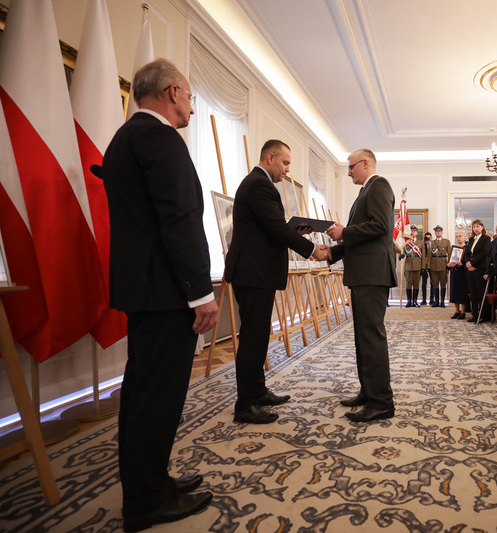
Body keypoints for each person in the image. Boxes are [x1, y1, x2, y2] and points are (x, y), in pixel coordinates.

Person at [102, 58, 216, 531]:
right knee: (158, 396)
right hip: (167, 291)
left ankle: (151, 480)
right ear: (172, 91)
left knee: (143, 391)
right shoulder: (160, 139)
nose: (189, 105)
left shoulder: (126, 138)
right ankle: (146, 500)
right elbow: (179, 219)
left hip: (144, 287)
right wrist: (200, 293)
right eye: (189, 95)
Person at [224, 140, 329, 425]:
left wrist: (294, 230)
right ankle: (245, 405)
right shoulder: (259, 184)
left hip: (255, 272)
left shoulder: (258, 183)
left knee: (257, 336)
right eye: (285, 163)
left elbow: (268, 228)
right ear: (270, 158)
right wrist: (311, 249)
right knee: (252, 339)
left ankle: (257, 392)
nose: (287, 170)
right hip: (253, 272)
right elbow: (273, 228)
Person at [326, 149, 396, 422]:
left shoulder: (379, 186)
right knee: (362, 337)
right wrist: (334, 251)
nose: (349, 172)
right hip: (364, 273)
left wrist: (345, 232)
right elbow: (360, 235)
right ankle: (369, 391)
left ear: (365, 163)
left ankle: (381, 402)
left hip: (372, 274)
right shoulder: (365, 192)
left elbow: (380, 226)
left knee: (371, 337)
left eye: (351, 166)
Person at [464, 220, 492, 323]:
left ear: (482, 227)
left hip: (480, 268)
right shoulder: (471, 239)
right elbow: (467, 252)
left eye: (477, 226)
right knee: (473, 293)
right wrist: (468, 263)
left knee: (480, 292)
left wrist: (472, 263)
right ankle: (474, 314)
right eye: (474, 227)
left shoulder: (486, 238)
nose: (475, 228)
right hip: (470, 270)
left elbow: (484, 253)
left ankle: (483, 315)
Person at [448, 230, 469, 319]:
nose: (459, 238)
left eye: (460, 236)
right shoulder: (454, 248)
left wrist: (462, 263)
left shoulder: (467, 248)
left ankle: (463, 312)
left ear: (464, 237)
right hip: (454, 272)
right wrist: (448, 264)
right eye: (457, 236)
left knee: (462, 292)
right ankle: (457, 311)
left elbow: (468, 260)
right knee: (454, 292)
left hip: (462, 273)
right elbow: (450, 260)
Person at [401, 225, 424, 307]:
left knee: (416, 284)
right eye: (411, 231)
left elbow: (423, 256)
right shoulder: (406, 242)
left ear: (417, 233)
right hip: (408, 265)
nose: (413, 232)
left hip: (418, 265)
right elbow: (403, 253)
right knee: (408, 283)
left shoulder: (421, 243)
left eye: (414, 231)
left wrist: (423, 267)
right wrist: (401, 256)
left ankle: (415, 301)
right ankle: (409, 301)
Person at [429, 225, 451, 307]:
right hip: (433, 265)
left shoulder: (446, 242)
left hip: (443, 265)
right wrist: (428, 266)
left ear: (442, 232)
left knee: (443, 284)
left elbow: (450, 253)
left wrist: (449, 264)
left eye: (440, 231)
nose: (438, 232)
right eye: (437, 231)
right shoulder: (431, 243)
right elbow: (429, 254)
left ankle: (442, 301)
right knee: (435, 284)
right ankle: (436, 301)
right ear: (435, 233)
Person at [420, 231, 433, 305]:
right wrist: (423, 243)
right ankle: (424, 299)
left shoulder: (433, 245)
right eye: (426, 237)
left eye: (429, 237)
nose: (428, 239)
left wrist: (429, 243)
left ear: (431, 238)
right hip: (424, 266)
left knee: (432, 283)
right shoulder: (422, 245)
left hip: (431, 266)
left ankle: (432, 299)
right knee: (423, 284)